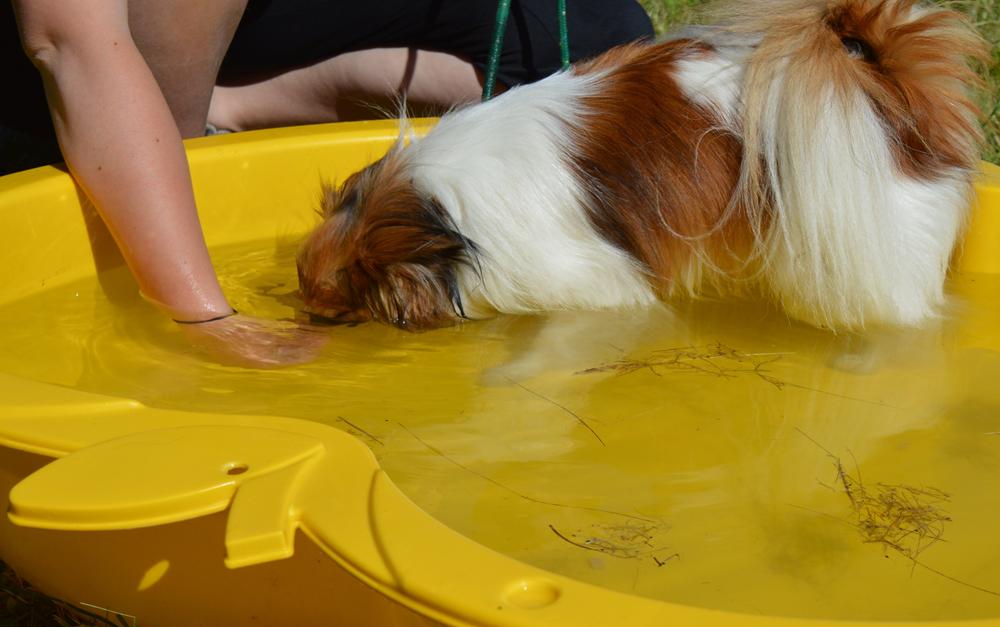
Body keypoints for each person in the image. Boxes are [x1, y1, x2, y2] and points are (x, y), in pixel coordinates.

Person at [3, 0, 653, 366]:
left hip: (252, 25)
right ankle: (175, 136)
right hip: (88, 39)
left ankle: (233, 105)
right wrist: (204, 317)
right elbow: (71, 43)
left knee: (595, 44)